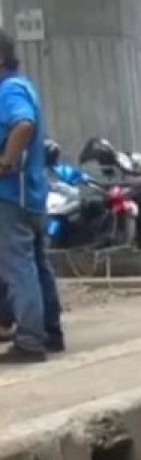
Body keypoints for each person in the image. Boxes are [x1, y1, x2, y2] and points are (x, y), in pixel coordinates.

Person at [0, 30, 59, 363]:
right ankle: (50, 333)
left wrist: (6, 161)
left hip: (11, 196)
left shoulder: (8, 90)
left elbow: (23, 125)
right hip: (32, 195)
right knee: (38, 266)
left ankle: (30, 341)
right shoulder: (23, 86)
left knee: (18, 269)